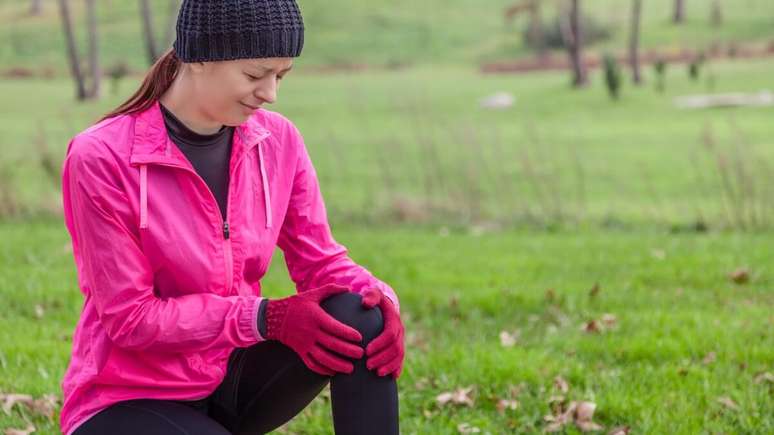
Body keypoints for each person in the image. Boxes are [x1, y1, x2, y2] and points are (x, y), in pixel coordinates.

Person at [58, 1, 404, 434]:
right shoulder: (102, 157)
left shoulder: (279, 142)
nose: (270, 93)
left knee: (359, 317)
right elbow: (131, 318)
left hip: (228, 380)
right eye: (255, 74)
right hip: (126, 400)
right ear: (201, 56)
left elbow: (321, 264)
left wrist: (382, 299)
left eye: (281, 75)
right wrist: (264, 317)